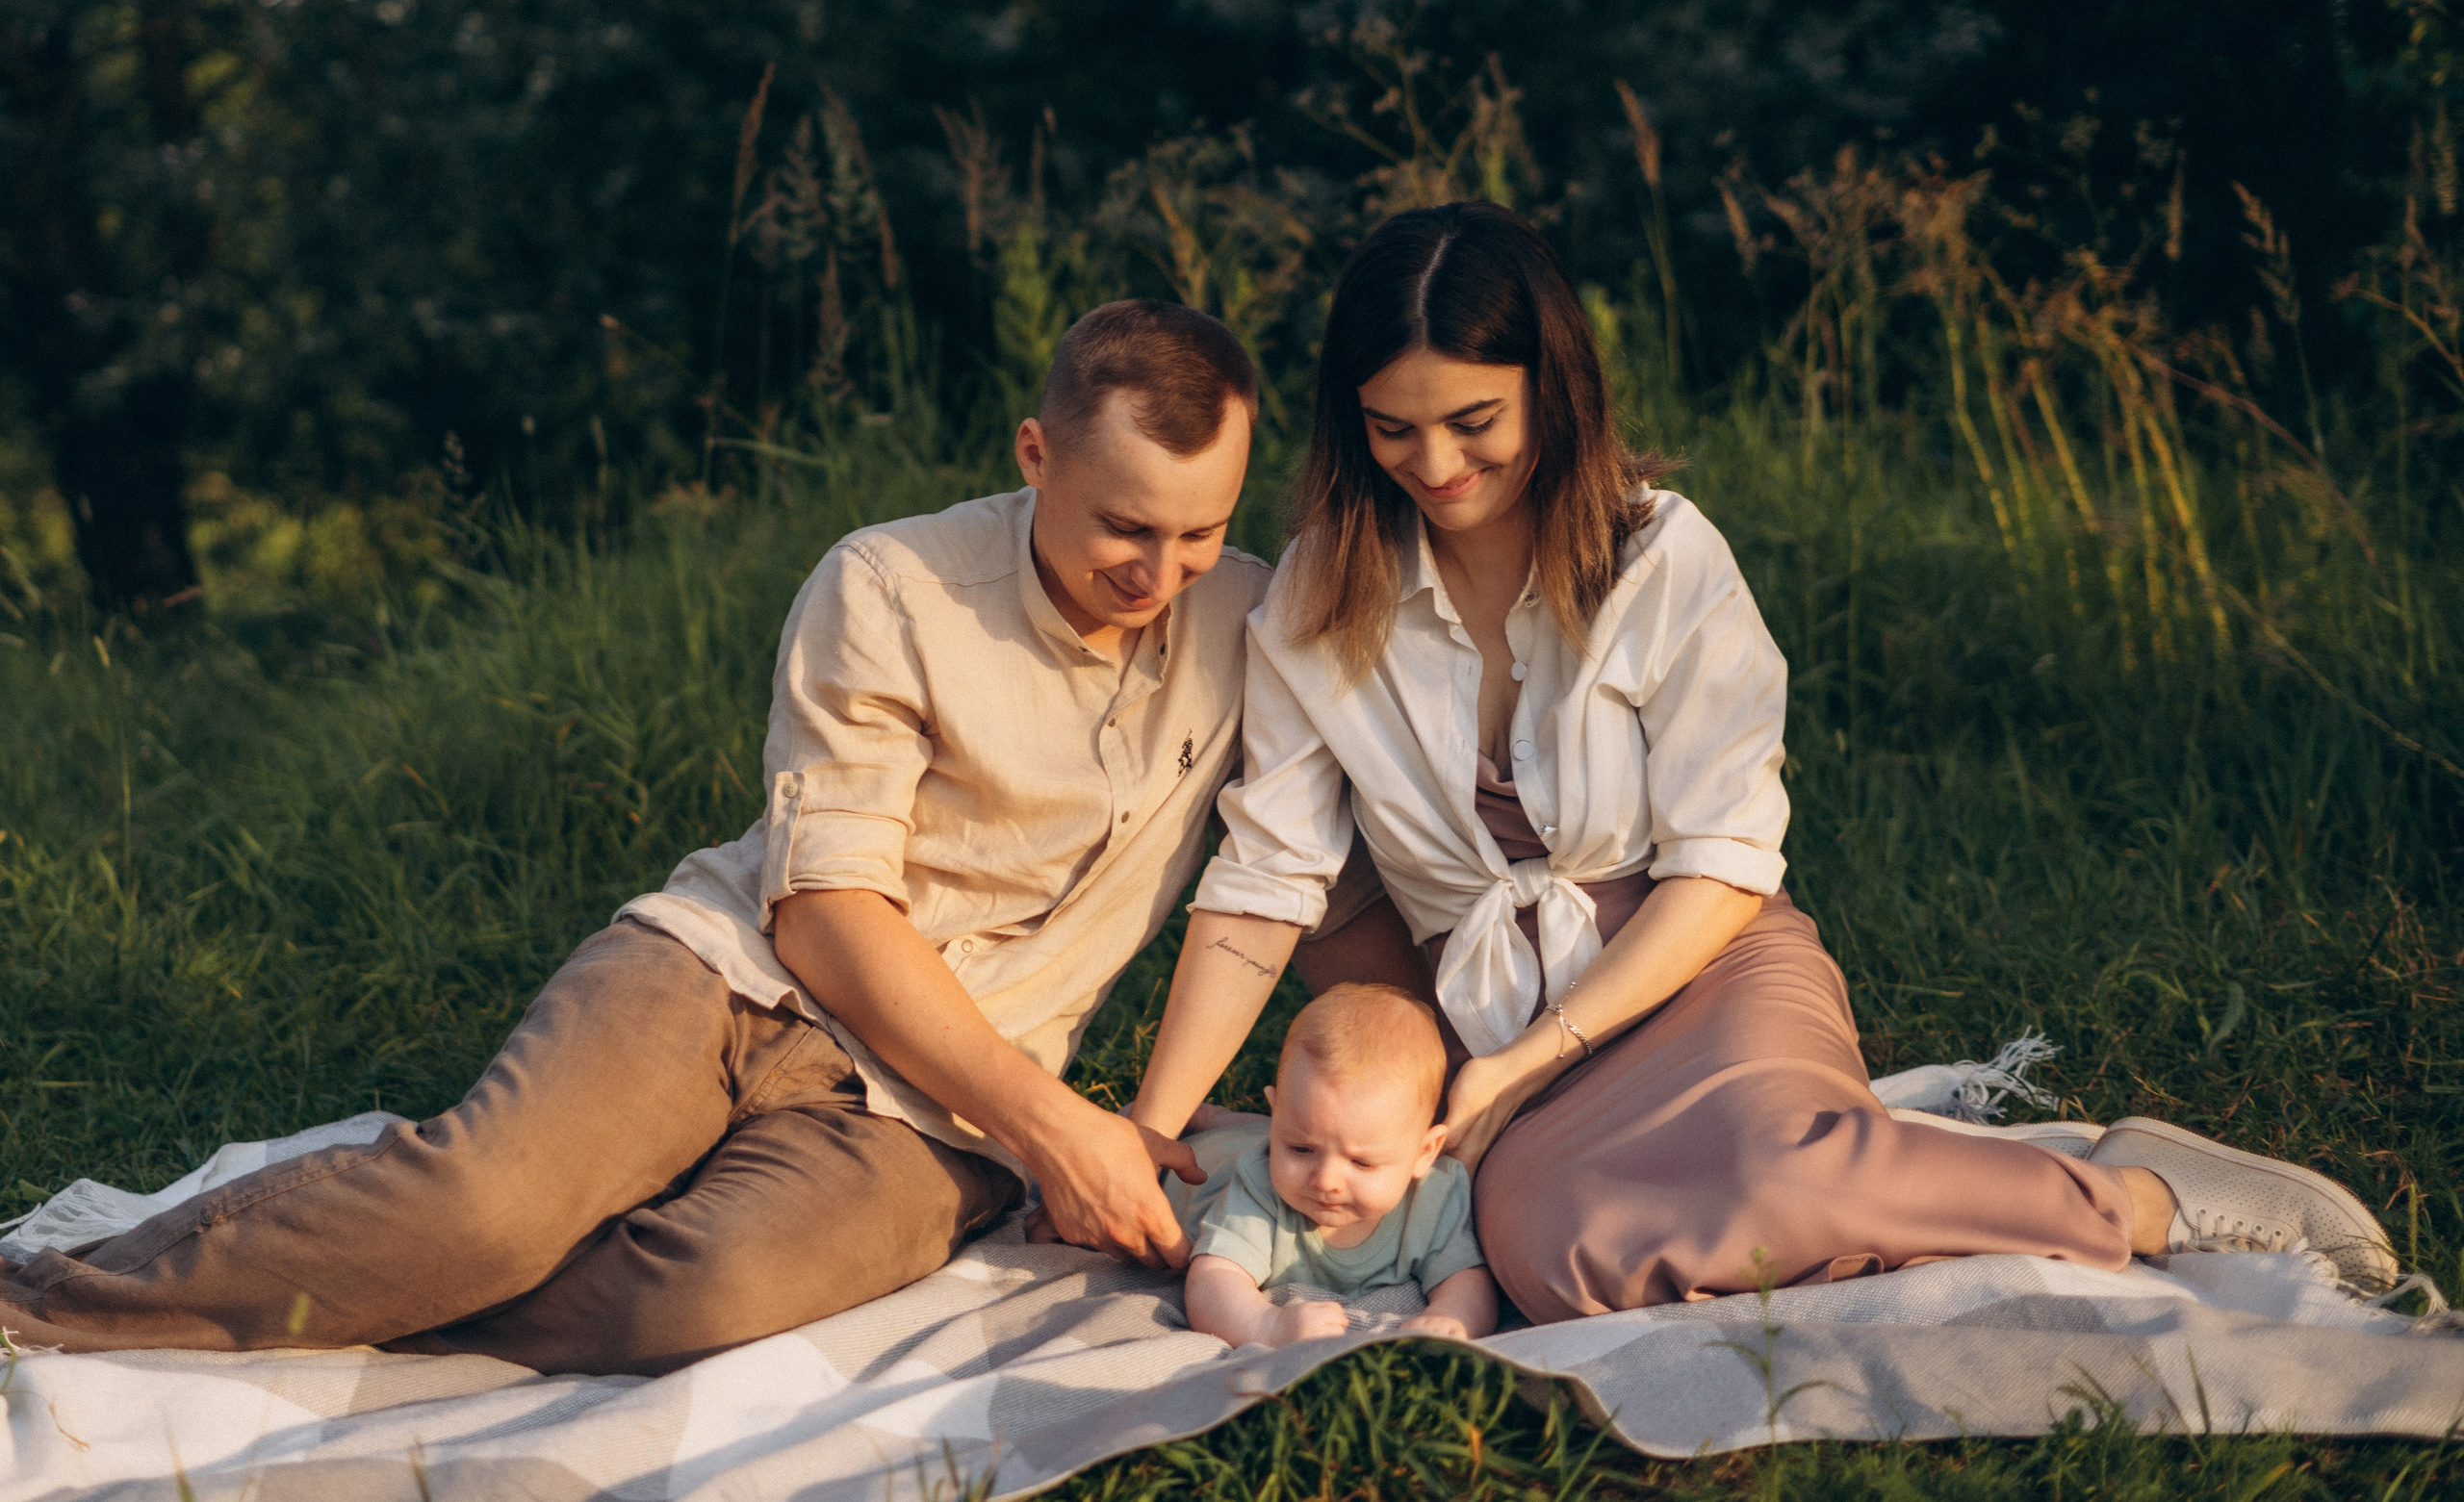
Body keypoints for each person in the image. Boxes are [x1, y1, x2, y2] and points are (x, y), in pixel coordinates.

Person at [1127, 202, 2400, 1325]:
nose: (1439, 467)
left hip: (1693, 957)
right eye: (1394, 431)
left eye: (1474, 422)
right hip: (1497, 995)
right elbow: (1267, 880)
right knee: (1550, 1260)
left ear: (1552, 390)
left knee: (1776, 1181)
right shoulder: (1316, 594)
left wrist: (1526, 1062)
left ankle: (2137, 1196)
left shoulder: (1663, 561)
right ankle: (1885, 1175)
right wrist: (1149, 1128)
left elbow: (1723, 866)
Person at [0, 300, 1270, 1375]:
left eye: (1199, 531)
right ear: (1036, 453)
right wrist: (1057, 1126)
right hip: (729, 976)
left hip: (934, 1120)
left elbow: (1319, 859)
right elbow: (824, 910)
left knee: (697, 1301)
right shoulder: (893, 582)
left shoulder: (1255, 620)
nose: (1160, 572)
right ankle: (40, 1303)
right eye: (1125, 525)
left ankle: (375, 1280)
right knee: (485, 1208)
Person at [1166, 983, 1497, 1348]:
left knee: (1292, 1132)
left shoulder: (1433, 1198)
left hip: (1268, 1131)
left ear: (1425, 1153)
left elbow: (1466, 1278)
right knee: (1229, 1138)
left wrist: (1452, 1317)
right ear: (1279, 1118)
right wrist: (1267, 1325)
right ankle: (1203, 1118)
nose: (1325, 1180)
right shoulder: (1259, 1185)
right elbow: (1213, 1277)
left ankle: (1231, 1121)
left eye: (1361, 1162)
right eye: (1300, 1149)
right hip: (1205, 1164)